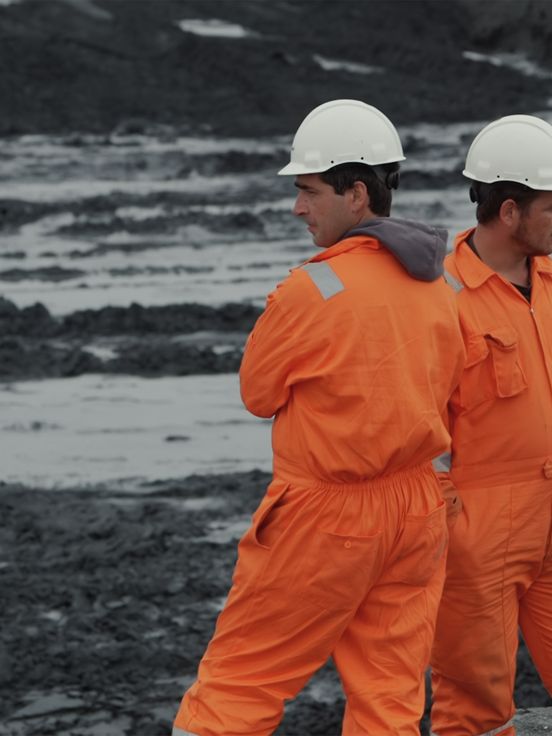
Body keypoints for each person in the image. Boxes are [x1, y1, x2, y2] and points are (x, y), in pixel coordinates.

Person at [172, 99, 465, 736]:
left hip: (326, 517)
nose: (298, 208)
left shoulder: (314, 289)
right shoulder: (437, 285)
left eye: (307, 191)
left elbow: (257, 394)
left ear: (355, 193)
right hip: (418, 506)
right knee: (389, 697)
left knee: (238, 686)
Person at [430, 114, 552, 736]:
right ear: (509, 211)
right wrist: (454, 519)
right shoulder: (438, 296)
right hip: (481, 529)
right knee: (474, 706)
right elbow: (414, 426)